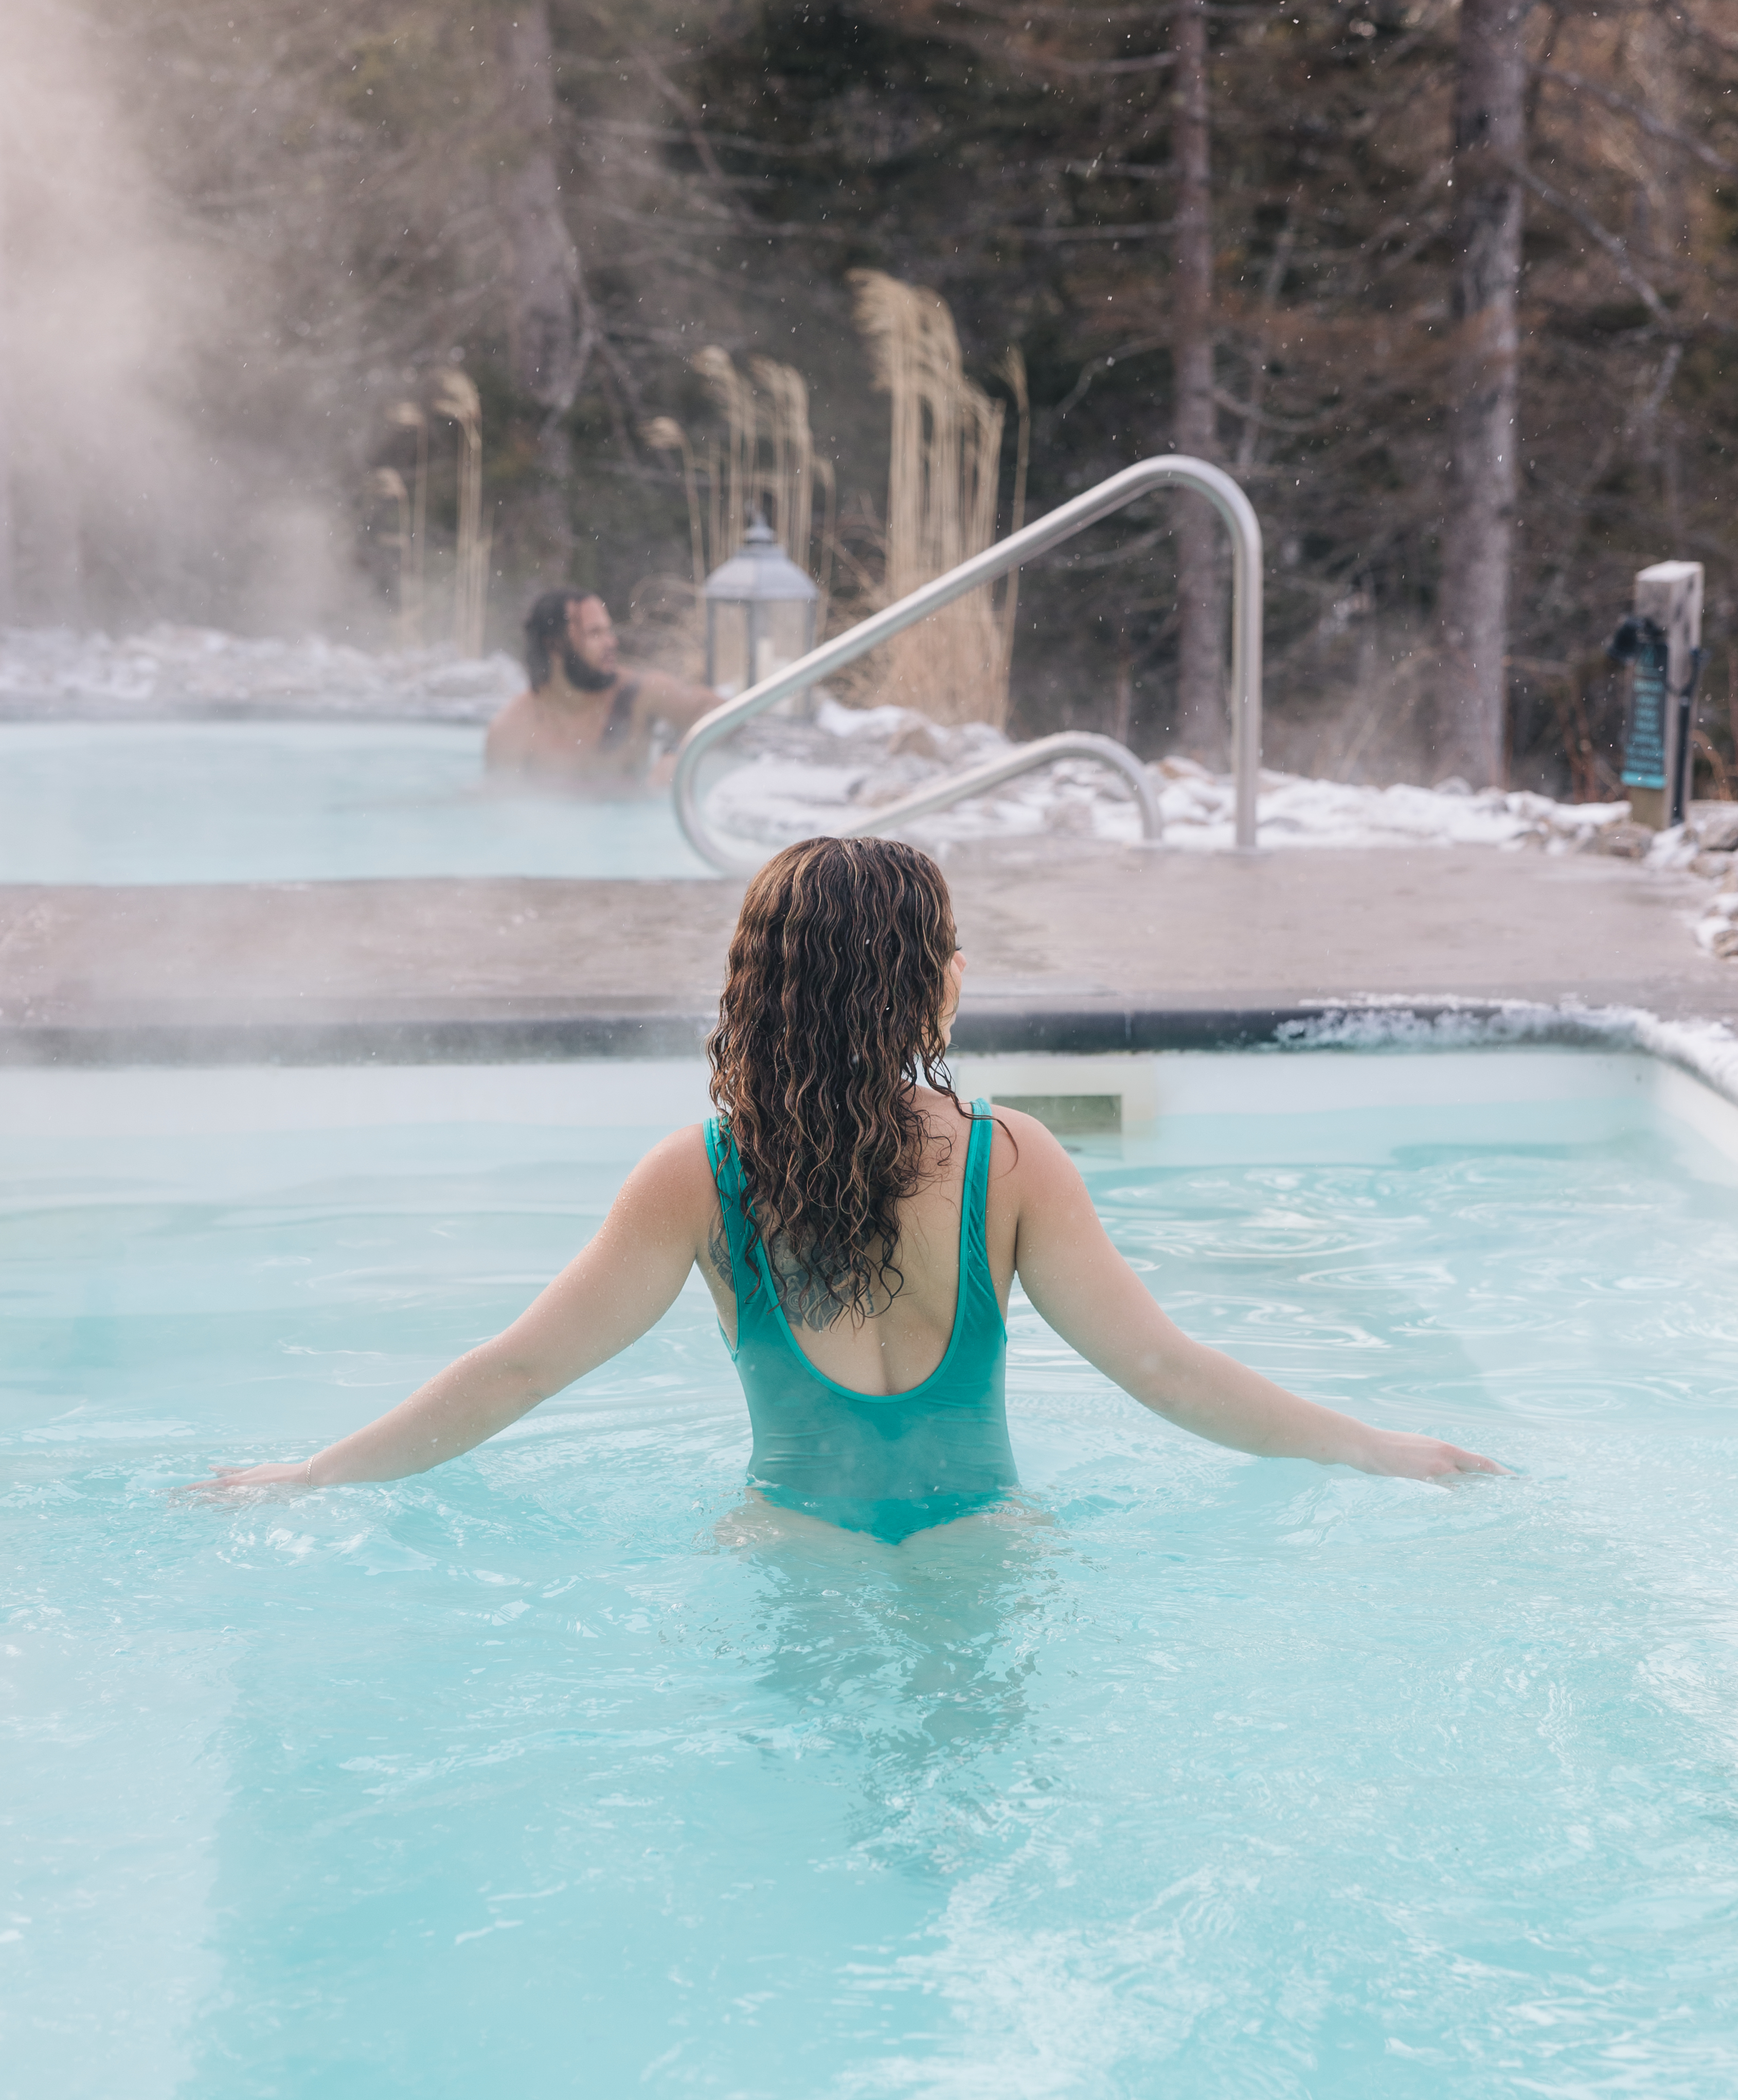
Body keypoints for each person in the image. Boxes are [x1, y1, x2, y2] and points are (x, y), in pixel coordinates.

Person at [209, 837, 1500, 1532]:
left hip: (788, 1545)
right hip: (986, 1545)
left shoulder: (698, 1177)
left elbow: (516, 1371)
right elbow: (1162, 1373)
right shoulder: (1010, 1162)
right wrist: (1374, 1446)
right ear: (921, 981)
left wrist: (317, 1476)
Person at [483, 588, 719, 794]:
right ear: (554, 643)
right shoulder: (513, 729)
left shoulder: (637, 695)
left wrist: (679, 753)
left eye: (609, 631)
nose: (611, 642)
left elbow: (722, 711)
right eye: (595, 633)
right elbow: (502, 813)